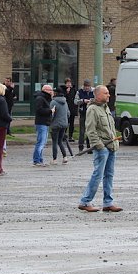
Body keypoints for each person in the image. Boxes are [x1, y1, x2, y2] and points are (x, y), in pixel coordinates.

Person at [78, 85, 121, 213]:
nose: (109, 95)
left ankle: (108, 202)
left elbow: (110, 128)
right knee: (98, 174)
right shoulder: (92, 109)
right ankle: (85, 201)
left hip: (112, 147)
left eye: (108, 93)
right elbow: (91, 131)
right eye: (106, 93)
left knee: (109, 175)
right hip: (102, 148)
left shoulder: (106, 108)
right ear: (97, 95)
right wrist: (100, 146)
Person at [33, 84, 54, 166]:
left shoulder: (45, 98)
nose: (52, 92)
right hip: (41, 123)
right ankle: (36, 160)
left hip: (45, 122)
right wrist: (50, 111)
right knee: (41, 142)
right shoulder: (40, 98)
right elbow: (39, 110)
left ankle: (40, 159)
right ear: (45, 90)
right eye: (50, 90)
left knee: (43, 142)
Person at [50, 85, 70, 164]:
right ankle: (65, 157)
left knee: (54, 142)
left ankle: (54, 159)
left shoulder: (53, 102)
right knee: (60, 141)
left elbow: (51, 114)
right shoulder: (65, 102)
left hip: (55, 124)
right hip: (64, 124)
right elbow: (68, 113)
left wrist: (49, 122)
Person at [75, 79, 94, 152]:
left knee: (90, 130)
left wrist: (91, 101)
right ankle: (81, 147)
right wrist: (83, 101)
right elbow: (75, 101)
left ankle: (89, 147)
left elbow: (97, 99)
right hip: (83, 113)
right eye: (85, 86)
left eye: (88, 86)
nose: (87, 88)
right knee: (82, 131)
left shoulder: (94, 91)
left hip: (91, 113)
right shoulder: (79, 92)